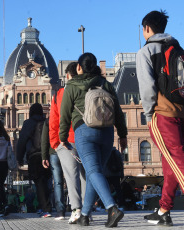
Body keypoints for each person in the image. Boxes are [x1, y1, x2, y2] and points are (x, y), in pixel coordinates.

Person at [136, 10, 184, 228]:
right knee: (171, 160)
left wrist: (148, 113)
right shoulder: (179, 48)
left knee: (176, 158)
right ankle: (164, 209)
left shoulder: (147, 51)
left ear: (146, 29)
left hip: (163, 112)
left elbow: (147, 87)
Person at [59, 52, 127, 227]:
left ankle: (112, 208)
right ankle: (85, 215)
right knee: (93, 173)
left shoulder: (72, 86)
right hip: (107, 133)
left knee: (93, 171)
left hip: (84, 131)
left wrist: (63, 138)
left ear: (79, 67)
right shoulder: (105, 84)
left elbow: (65, 114)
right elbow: (118, 112)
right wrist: (123, 134)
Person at [48, 61, 86, 224]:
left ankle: (76, 210)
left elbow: (54, 120)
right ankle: (86, 210)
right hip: (85, 137)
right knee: (86, 175)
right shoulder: (87, 90)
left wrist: (55, 142)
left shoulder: (60, 94)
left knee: (71, 176)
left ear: (68, 76)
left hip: (66, 142)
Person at [17, 103, 52, 218]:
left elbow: (22, 141)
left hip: (34, 155)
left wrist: (19, 158)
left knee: (39, 182)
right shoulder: (47, 121)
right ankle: (47, 206)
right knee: (47, 181)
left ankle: (46, 208)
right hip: (48, 154)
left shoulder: (28, 123)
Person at [41, 118, 65, 220]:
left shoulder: (49, 120)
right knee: (73, 178)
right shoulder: (67, 116)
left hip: (54, 152)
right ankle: (77, 208)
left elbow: (44, 140)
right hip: (67, 149)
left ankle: (60, 211)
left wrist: (44, 157)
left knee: (58, 182)